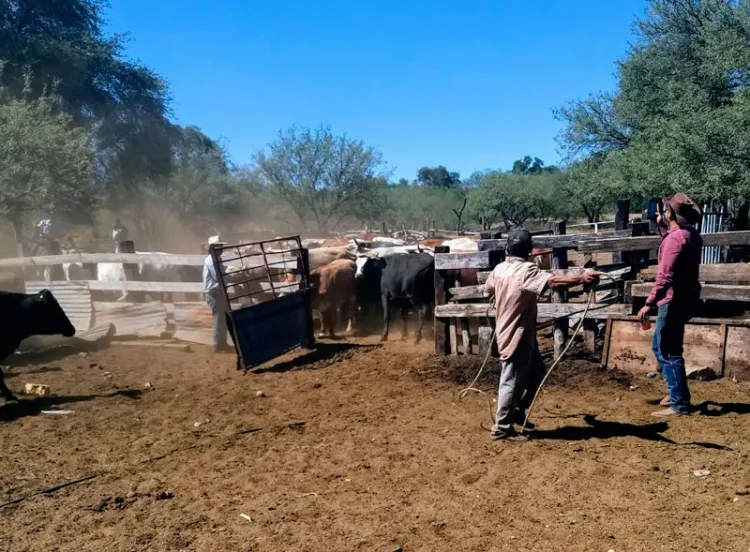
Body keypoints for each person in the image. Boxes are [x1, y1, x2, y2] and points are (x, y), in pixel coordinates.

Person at [484, 227, 599, 440]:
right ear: (528, 251)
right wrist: (582, 278)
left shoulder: (499, 269)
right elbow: (552, 282)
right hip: (516, 334)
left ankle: (517, 410)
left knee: (536, 372)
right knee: (512, 380)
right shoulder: (526, 270)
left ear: (507, 248)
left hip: (515, 331)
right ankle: (502, 428)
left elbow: (488, 289)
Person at [637, 193, 702, 417]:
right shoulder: (690, 234)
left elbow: (665, 277)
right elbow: (676, 246)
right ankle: (675, 391)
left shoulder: (676, 239)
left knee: (668, 349)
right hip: (686, 298)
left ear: (671, 213)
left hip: (672, 300)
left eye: (666, 210)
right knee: (660, 345)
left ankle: (679, 403)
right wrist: (662, 229)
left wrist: (649, 303)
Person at [203, 235, 233, 353]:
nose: (221, 249)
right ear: (212, 248)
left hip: (217, 291)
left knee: (222, 318)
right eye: (218, 246)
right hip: (214, 292)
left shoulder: (216, 259)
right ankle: (217, 344)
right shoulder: (211, 260)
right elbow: (218, 276)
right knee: (218, 318)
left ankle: (222, 343)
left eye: (221, 246)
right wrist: (230, 276)